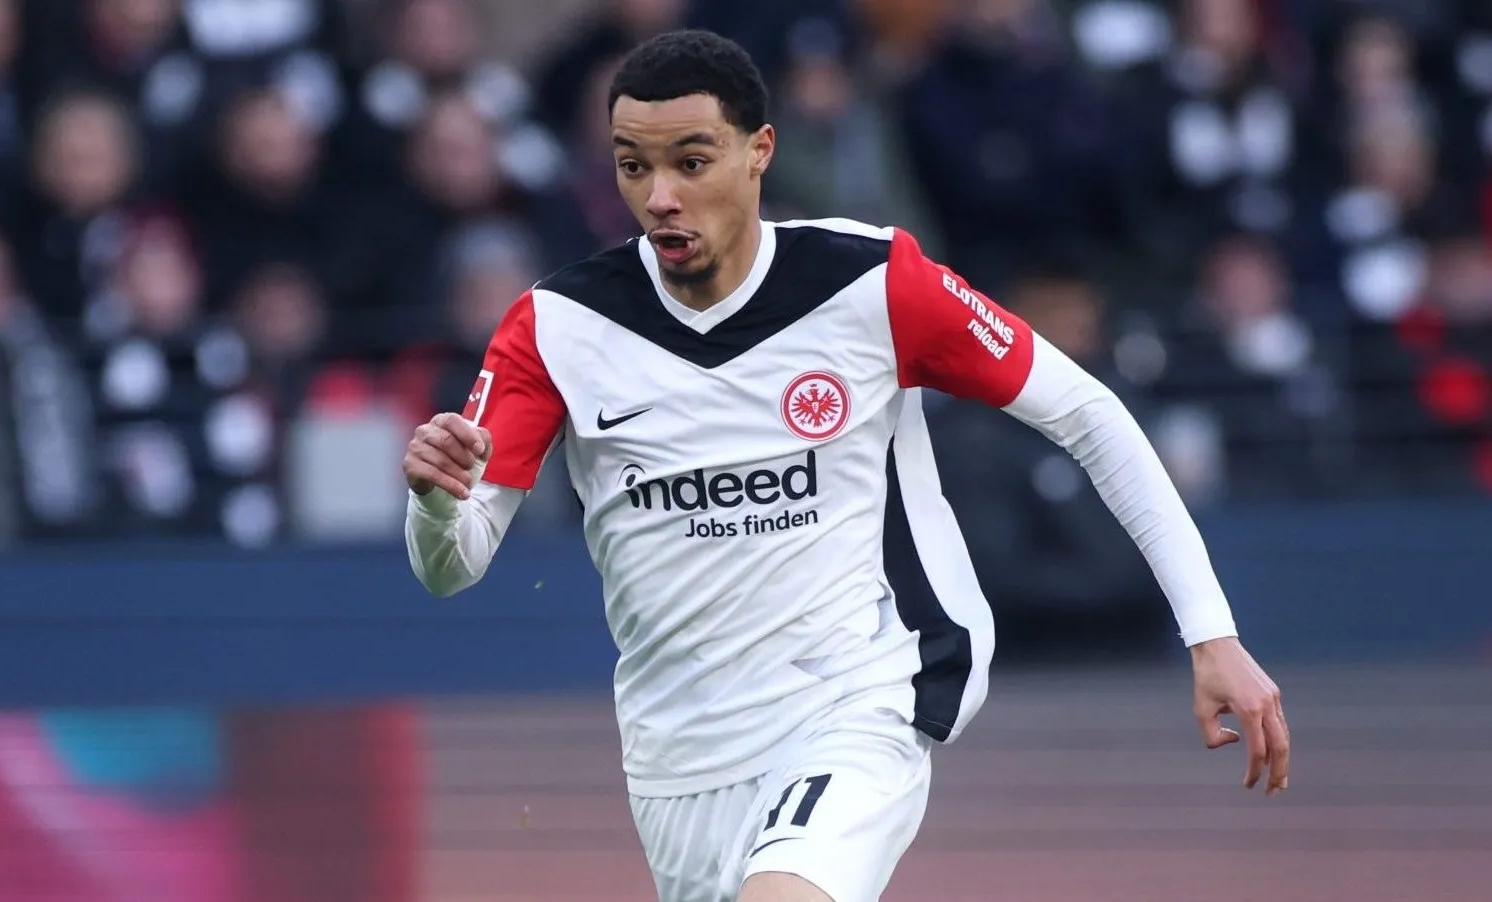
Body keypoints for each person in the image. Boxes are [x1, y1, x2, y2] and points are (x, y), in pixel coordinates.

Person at [402, 29, 1290, 902]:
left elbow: (1089, 414)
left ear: (760, 153)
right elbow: (452, 567)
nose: (661, 195)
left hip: (859, 693)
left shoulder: (870, 283)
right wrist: (437, 505)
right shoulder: (556, 326)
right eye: (634, 166)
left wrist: (1211, 632)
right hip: (678, 753)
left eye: (691, 161)